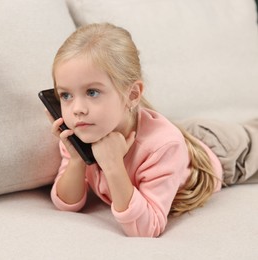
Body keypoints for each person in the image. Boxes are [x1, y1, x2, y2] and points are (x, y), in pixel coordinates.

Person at [45, 23, 258, 237]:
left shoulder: (163, 146)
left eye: (92, 92)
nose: (77, 110)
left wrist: (113, 166)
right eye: (66, 95)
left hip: (225, 154)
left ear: (132, 95)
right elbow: (67, 203)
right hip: (183, 138)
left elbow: (147, 228)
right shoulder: (81, 133)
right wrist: (76, 161)